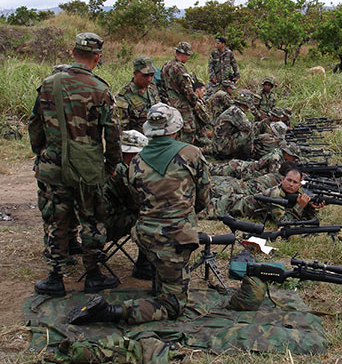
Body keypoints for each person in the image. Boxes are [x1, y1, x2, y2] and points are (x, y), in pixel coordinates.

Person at [68, 103, 211, 325]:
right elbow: (203, 198)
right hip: (176, 239)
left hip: (144, 236)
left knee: (164, 273)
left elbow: (138, 200)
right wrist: (185, 216)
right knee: (173, 306)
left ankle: (160, 285)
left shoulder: (135, 162)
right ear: (174, 128)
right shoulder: (191, 154)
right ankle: (112, 311)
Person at [29, 32, 121, 296]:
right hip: (88, 166)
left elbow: (35, 124)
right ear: (97, 56)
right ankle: (93, 275)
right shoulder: (101, 89)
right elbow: (112, 134)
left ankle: (55, 278)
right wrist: (111, 165)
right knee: (91, 219)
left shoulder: (49, 84)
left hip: (53, 165)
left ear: (73, 53)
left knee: (57, 219)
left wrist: (42, 153)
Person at [103, 130, 152, 280]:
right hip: (105, 226)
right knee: (149, 216)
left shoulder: (110, 166)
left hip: (92, 226)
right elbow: (138, 203)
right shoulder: (122, 172)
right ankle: (143, 265)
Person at [160, 42, 211, 145]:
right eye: (188, 55)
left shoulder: (166, 66)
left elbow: (162, 87)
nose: (188, 58)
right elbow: (187, 90)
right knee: (188, 130)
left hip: (169, 103)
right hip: (182, 105)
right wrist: (195, 102)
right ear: (182, 54)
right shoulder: (179, 68)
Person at [114, 57, 161, 133]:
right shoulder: (123, 97)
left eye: (152, 75)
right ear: (135, 74)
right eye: (145, 75)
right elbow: (122, 130)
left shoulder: (152, 88)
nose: (149, 79)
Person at [212, 94, 255, 160]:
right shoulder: (237, 112)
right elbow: (248, 127)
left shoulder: (232, 109)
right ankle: (246, 158)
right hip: (222, 146)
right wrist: (251, 144)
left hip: (217, 144)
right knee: (248, 133)